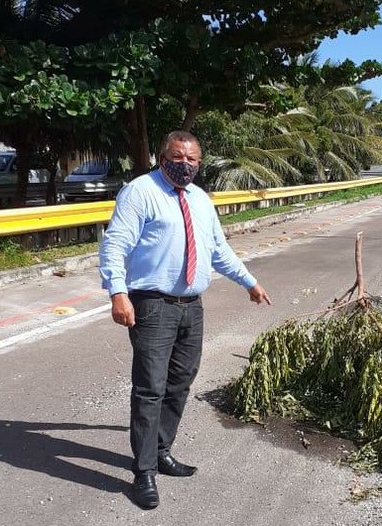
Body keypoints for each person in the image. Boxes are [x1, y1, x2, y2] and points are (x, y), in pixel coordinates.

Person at [99, 131, 271, 510]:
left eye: (193, 160)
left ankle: (162, 451)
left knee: (180, 382)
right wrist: (117, 292)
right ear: (163, 158)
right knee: (150, 387)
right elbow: (115, 244)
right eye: (179, 157)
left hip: (191, 304)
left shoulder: (200, 199)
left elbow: (217, 250)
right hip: (152, 304)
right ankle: (143, 471)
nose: (186, 164)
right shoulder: (140, 192)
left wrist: (249, 282)